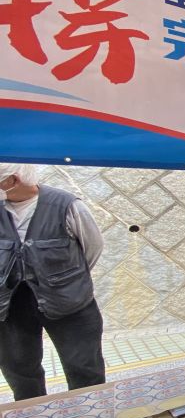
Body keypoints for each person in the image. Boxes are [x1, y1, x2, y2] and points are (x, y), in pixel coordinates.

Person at [0, 163, 106, 400]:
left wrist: (66, 282)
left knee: (84, 368)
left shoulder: (67, 205)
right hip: (10, 304)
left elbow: (92, 247)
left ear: (12, 180)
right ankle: (33, 417)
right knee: (19, 369)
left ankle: (89, 415)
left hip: (69, 301)